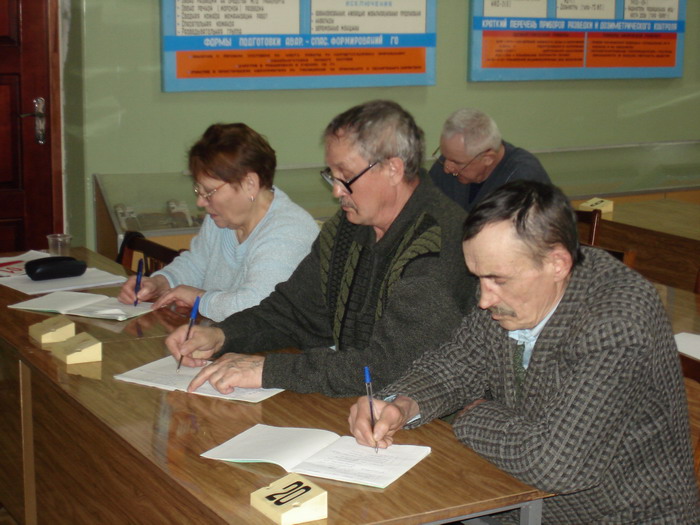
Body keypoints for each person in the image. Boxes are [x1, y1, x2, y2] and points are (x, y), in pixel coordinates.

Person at [349, 181, 700, 523]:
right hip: (516, 496)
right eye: (478, 278)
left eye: (497, 280)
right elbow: (458, 364)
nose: (484, 299)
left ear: (557, 263)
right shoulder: (511, 289)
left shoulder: (617, 322)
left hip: (620, 515)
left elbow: (558, 465)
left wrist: (471, 415)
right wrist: (400, 405)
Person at [165, 100, 476, 397]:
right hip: (360, 403)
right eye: (332, 175)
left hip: (427, 424)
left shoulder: (438, 241)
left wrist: (270, 370)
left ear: (392, 169)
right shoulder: (349, 224)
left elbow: (393, 365)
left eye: (346, 176)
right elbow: (294, 311)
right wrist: (223, 335)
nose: (337, 191)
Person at [117, 123, 318, 322]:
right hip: (227, 339)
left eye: (209, 192)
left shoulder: (289, 231)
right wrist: (161, 282)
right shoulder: (223, 219)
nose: (200, 202)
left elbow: (257, 306)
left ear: (250, 184)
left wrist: (198, 298)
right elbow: (197, 263)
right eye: (199, 190)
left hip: (285, 351)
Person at [429, 108, 550, 212]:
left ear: (488, 158)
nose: (446, 167)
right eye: (444, 156)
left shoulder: (523, 179)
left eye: (457, 162)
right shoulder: (452, 158)